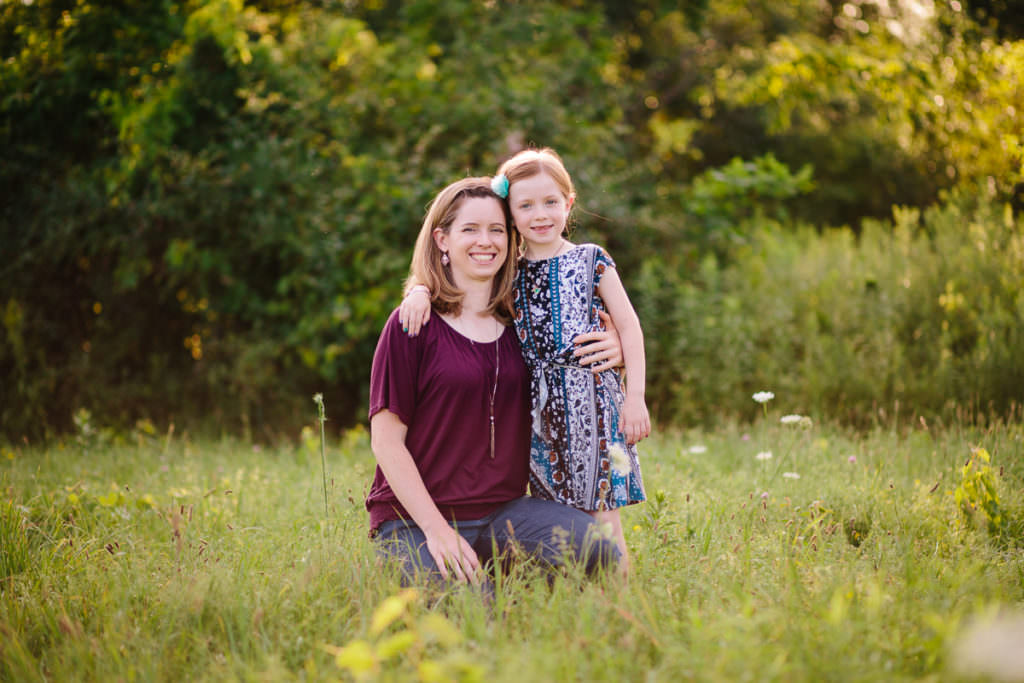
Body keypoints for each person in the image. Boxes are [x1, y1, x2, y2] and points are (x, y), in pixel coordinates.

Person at [400, 148, 649, 570]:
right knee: (558, 517)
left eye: (551, 202)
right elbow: (452, 281)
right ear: (510, 213)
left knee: (604, 520)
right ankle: (566, 599)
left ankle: (618, 608)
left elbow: (629, 326)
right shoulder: (505, 270)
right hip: (538, 414)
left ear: (568, 204)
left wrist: (635, 396)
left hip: (594, 406)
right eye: (525, 205)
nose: (540, 214)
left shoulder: (592, 260)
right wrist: (419, 290)